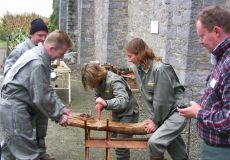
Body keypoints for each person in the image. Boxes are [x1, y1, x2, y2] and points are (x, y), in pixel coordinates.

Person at [0, 30, 73, 160]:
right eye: (61, 53)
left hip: (13, 106)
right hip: (14, 109)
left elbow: (46, 87)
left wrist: (61, 108)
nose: (61, 58)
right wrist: (59, 116)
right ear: (51, 48)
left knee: (9, 150)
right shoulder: (37, 63)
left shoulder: (39, 55)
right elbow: (41, 97)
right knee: (27, 154)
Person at [177, 5, 230, 160]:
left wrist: (198, 113)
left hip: (223, 151)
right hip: (214, 147)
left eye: (202, 35)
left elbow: (228, 120)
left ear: (217, 31)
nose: (200, 41)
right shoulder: (222, 58)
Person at [124, 38, 188, 160]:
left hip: (177, 112)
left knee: (155, 142)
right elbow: (147, 97)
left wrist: (155, 121)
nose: (128, 59)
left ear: (139, 54)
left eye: (130, 56)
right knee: (177, 151)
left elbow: (162, 100)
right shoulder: (138, 69)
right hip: (162, 113)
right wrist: (153, 117)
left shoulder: (160, 69)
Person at [2, 18, 55, 160]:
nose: (43, 38)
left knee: (41, 126)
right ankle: (5, 156)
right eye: (40, 35)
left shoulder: (44, 52)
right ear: (32, 35)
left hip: (38, 96)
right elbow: (8, 74)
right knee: (18, 133)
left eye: (45, 35)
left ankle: (40, 153)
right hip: (22, 100)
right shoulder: (20, 50)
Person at [81, 63, 139, 160]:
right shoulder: (98, 82)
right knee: (114, 139)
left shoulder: (114, 80)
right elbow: (98, 95)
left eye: (91, 83)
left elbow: (123, 101)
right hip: (117, 112)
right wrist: (99, 103)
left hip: (129, 113)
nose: (92, 86)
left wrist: (106, 103)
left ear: (96, 76)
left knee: (120, 144)